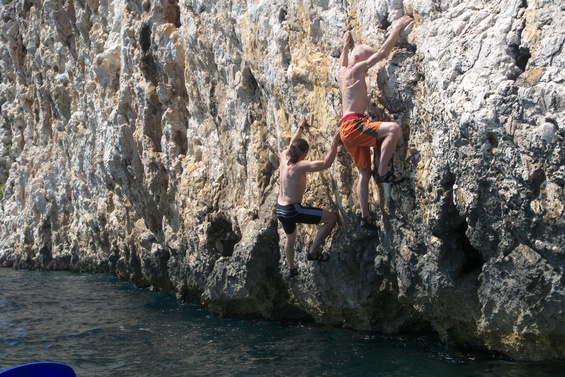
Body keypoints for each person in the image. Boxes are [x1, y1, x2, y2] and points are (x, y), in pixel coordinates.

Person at [338, 15, 414, 230]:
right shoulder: (357, 69)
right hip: (354, 124)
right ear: (358, 61)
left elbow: (342, 61)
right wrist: (397, 28)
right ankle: (382, 173)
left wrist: (346, 45)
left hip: (346, 129)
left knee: (363, 173)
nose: (367, 67)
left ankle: (365, 216)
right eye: (365, 62)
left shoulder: (343, 72)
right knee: (393, 129)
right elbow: (383, 53)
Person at [276, 115, 341, 278]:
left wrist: (300, 127)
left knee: (290, 239)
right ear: (304, 153)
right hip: (293, 210)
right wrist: (335, 140)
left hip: (280, 209)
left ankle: (292, 269)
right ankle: (313, 252)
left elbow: (293, 142)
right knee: (331, 218)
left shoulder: (284, 156)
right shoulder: (299, 166)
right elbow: (326, 163)